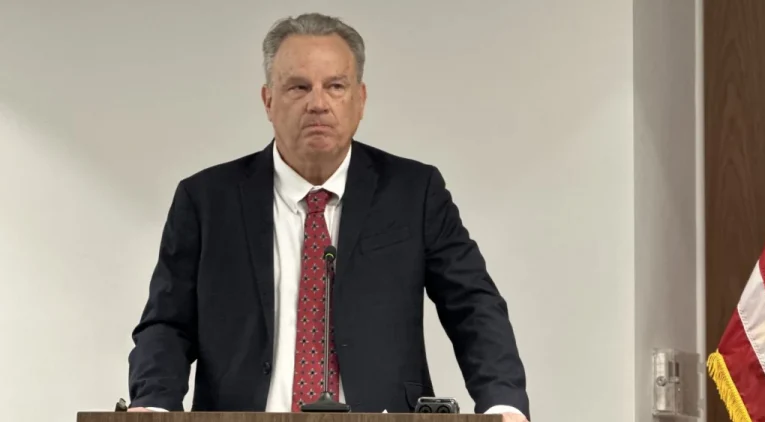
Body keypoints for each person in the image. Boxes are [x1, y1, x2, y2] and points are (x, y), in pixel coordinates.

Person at [125, 12, 529, 421]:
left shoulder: (414, 192)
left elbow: (473, 305)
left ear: (360, 99)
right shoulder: (206, 200)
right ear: (268, 100)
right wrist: (155, 405)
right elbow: (167, 323)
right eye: (299, 87)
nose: (318, 103)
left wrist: (502, 402)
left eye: (335, 86)